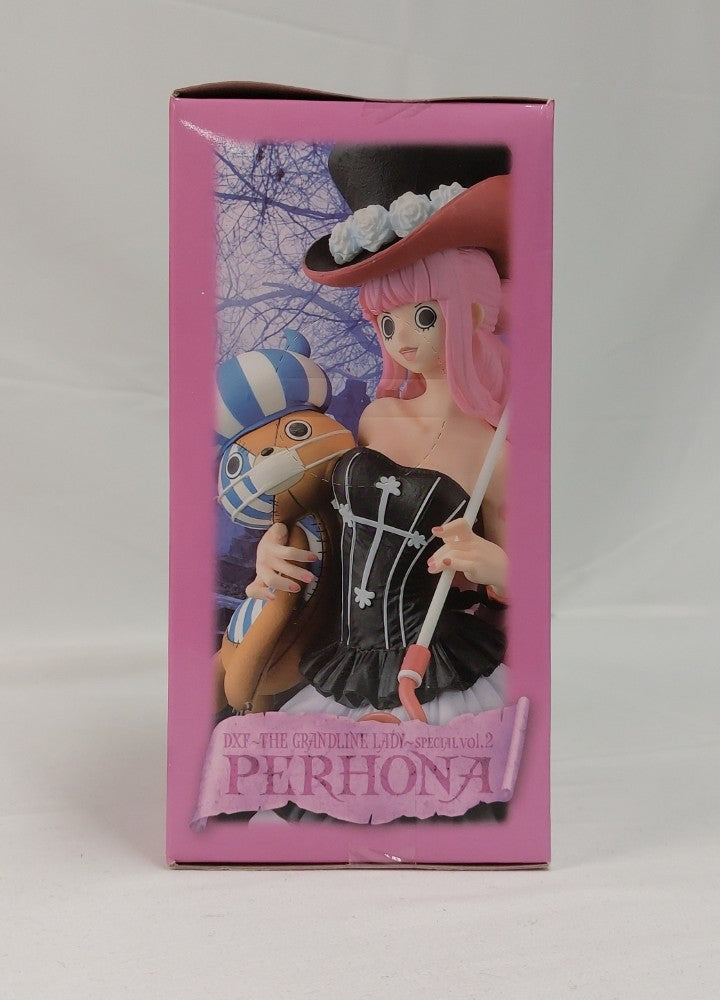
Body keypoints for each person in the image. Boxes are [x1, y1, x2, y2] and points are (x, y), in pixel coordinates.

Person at [247, 145, 512, 724]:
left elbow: (533, 582)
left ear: (471, 312)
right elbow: (326, 522)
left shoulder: (496, 451)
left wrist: (497, 566)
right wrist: (275, 547)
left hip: (439, 669)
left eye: (424, 316)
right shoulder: (375, 419)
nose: (401, 339)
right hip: (344, 664)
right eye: (386, 322)